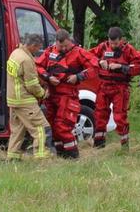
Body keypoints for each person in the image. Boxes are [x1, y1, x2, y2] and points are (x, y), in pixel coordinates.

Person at [36, 29, 98, 159]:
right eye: (61, 46)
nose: (64, 49)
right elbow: (38, 66)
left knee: (62, 126)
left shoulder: (78, 52)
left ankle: (73, 155)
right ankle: (61, 154)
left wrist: (79, 76)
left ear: (70, 41)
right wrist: (48, 77)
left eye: (66, 46)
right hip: (52, 95)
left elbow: (94, 67)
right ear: (56, 43)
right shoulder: (50, 51)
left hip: (68, 95)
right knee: (52, 125)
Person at [89, 27, 140, 149]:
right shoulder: (103, 47)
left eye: (116, 43)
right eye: (111, 43)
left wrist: (121, 67)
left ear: (121, 40)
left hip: (120, 87)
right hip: (103, 85)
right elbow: (87, 57)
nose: (113, 45)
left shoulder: (129, 50)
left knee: (119, 116)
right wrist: (99, 62)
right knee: (100, 114)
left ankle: (124, 145)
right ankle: (99, 143)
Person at [5, 34, 53, 160]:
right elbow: (31, 85)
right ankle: (42, 157)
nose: (38, 51)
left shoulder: (15, 53)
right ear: (32, 45)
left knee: (17, 131)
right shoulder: (26, 59)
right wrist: (43, 94)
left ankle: (13, 157)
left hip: (13, 100)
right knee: (41, 128)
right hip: (24, 100)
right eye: (38, 48)